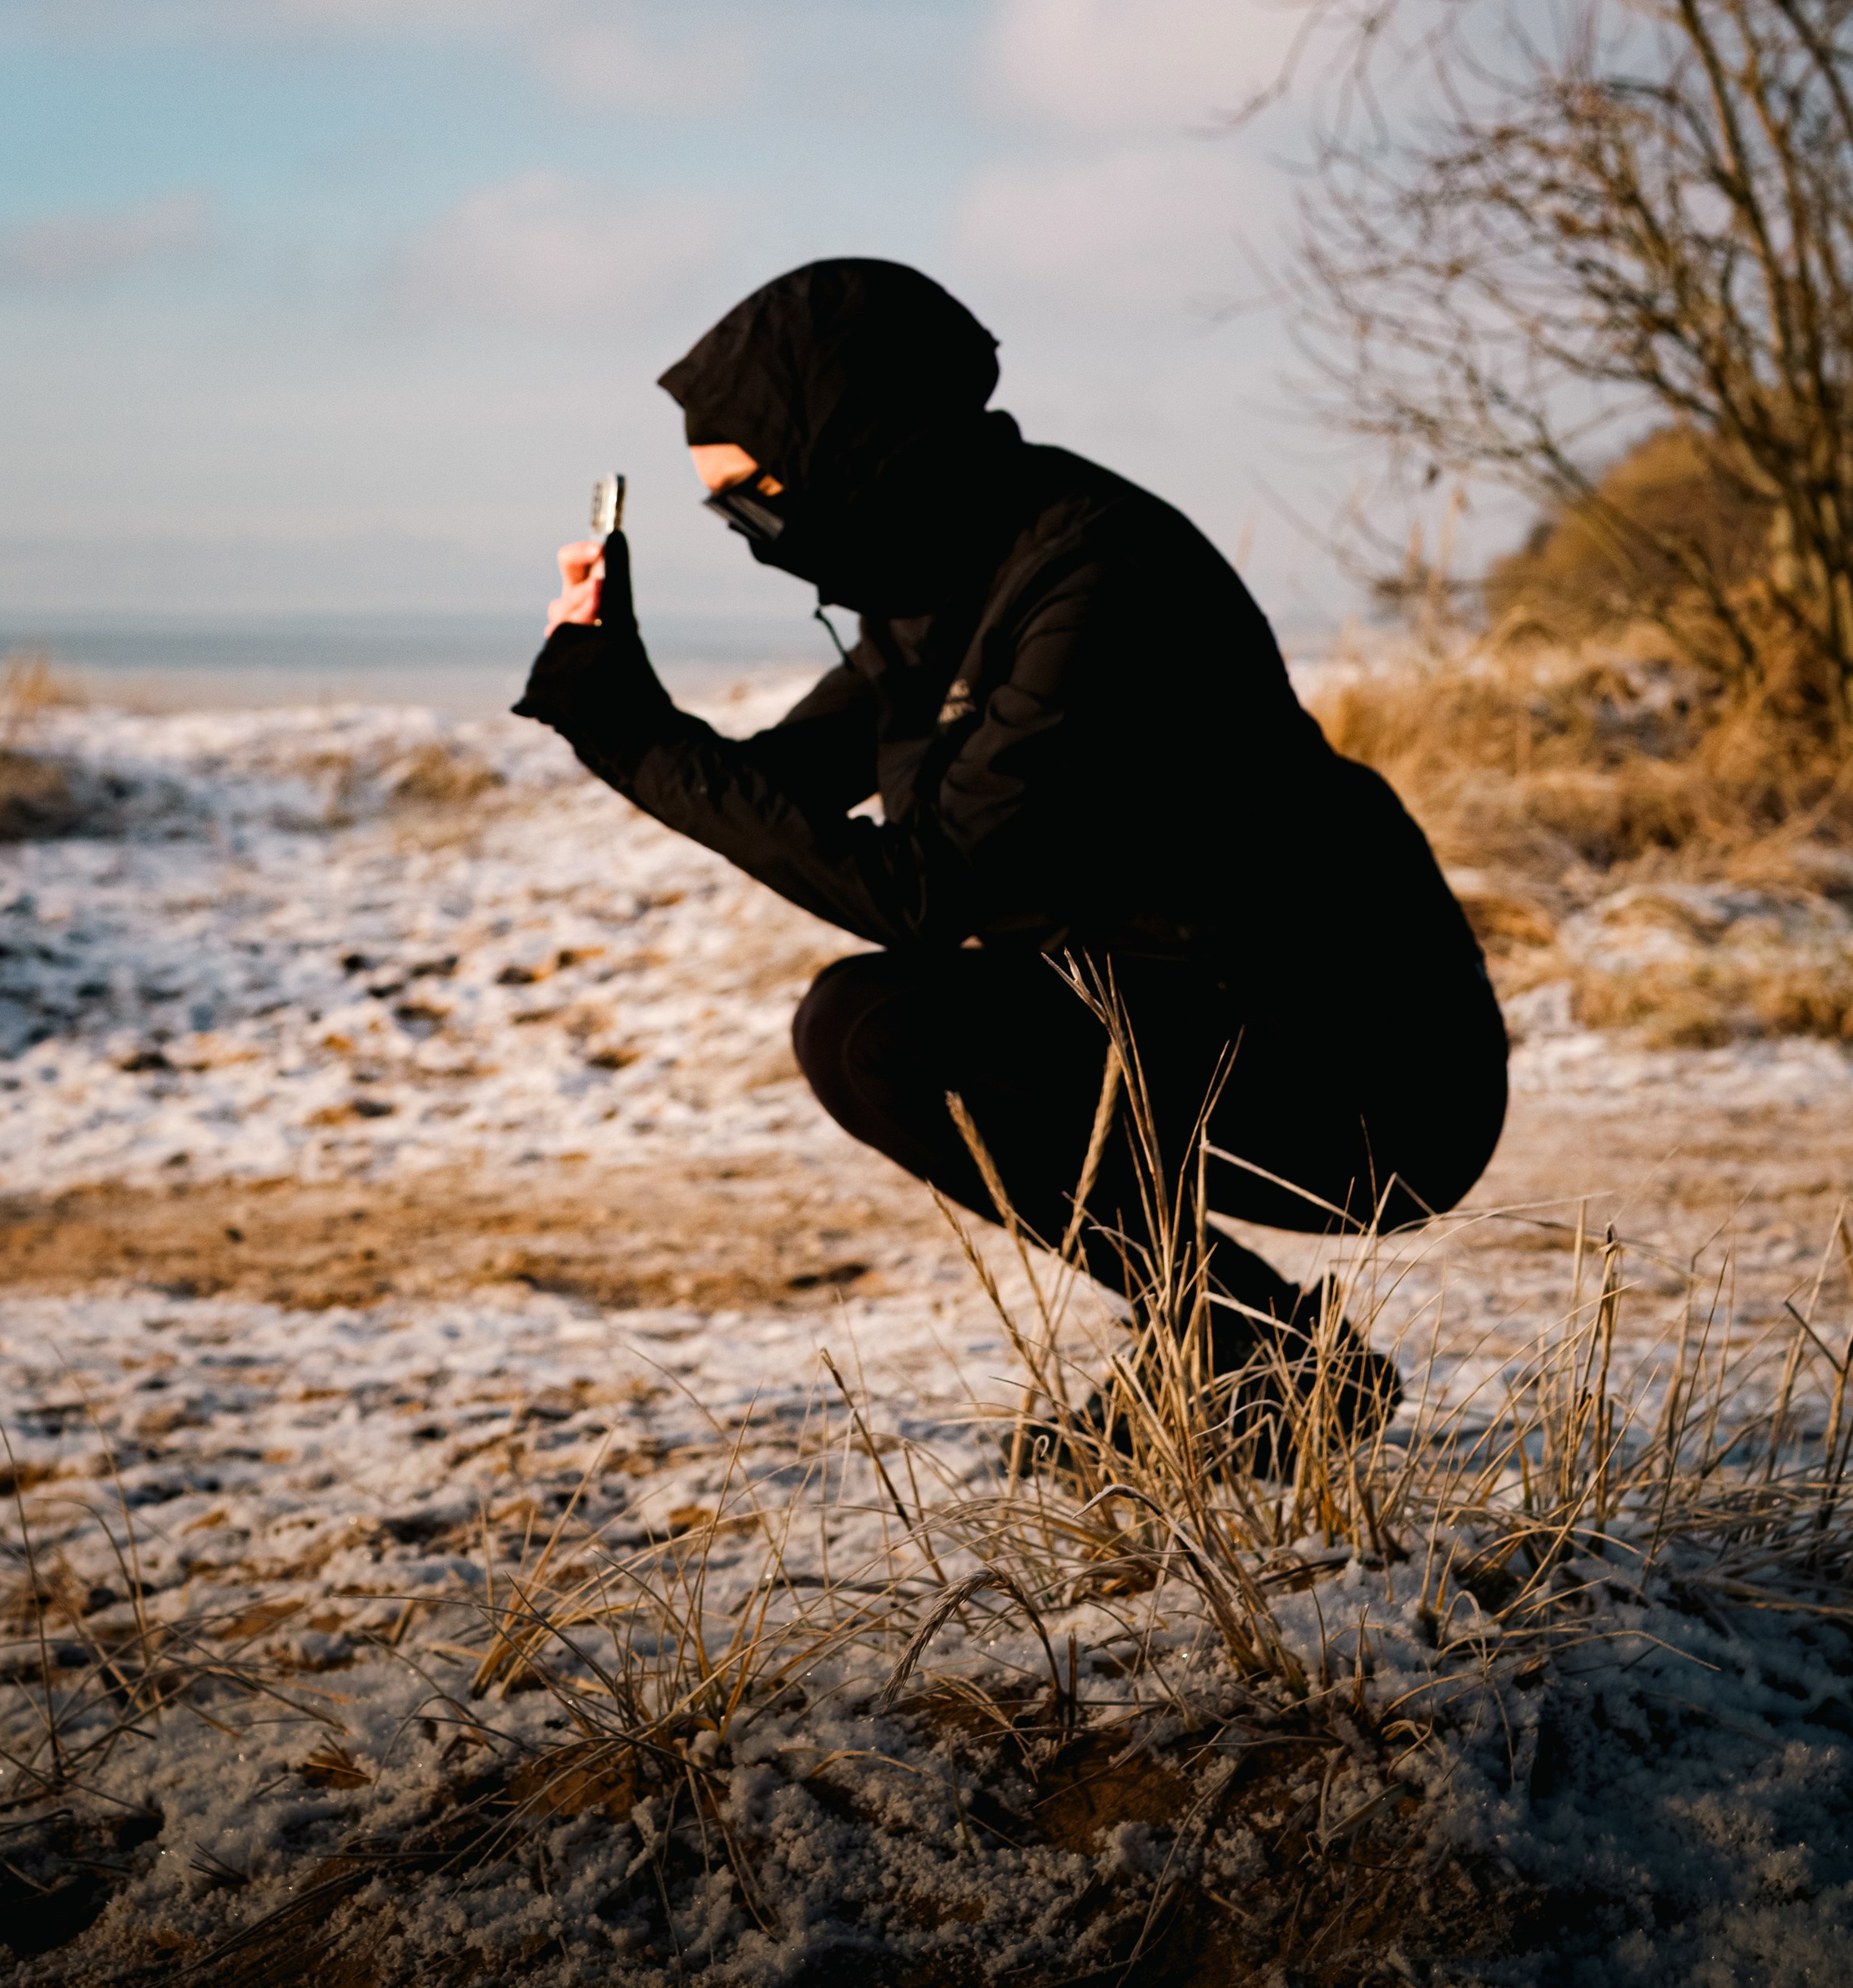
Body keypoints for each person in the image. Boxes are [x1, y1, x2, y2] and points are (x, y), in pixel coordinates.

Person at [515, 257, 1508, 1451]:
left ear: (852, 452)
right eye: (726, 514)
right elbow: (779, 788)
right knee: (865, 1029)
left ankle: (1257, 1351)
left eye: (759, 498)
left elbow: (921, 890)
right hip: (1197, 1008)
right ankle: (1250, 1350)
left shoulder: (1097, 583)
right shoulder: (944, 573)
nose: (754, 538)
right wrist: (621, 688)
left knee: (876, 1025)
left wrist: (633, 733)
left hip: (1368, 1068)